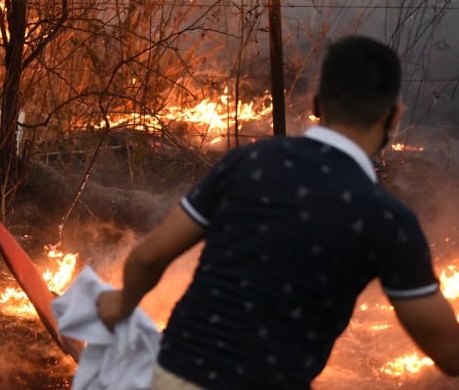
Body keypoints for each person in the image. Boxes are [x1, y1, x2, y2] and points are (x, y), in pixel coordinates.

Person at [96, 35, 459, 389]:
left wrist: (123, 304)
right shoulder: (387, 219)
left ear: (317, 104)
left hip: (171, 375)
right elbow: (448, 352)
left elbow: (148, 256)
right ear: (394, 117)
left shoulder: (248, 162)